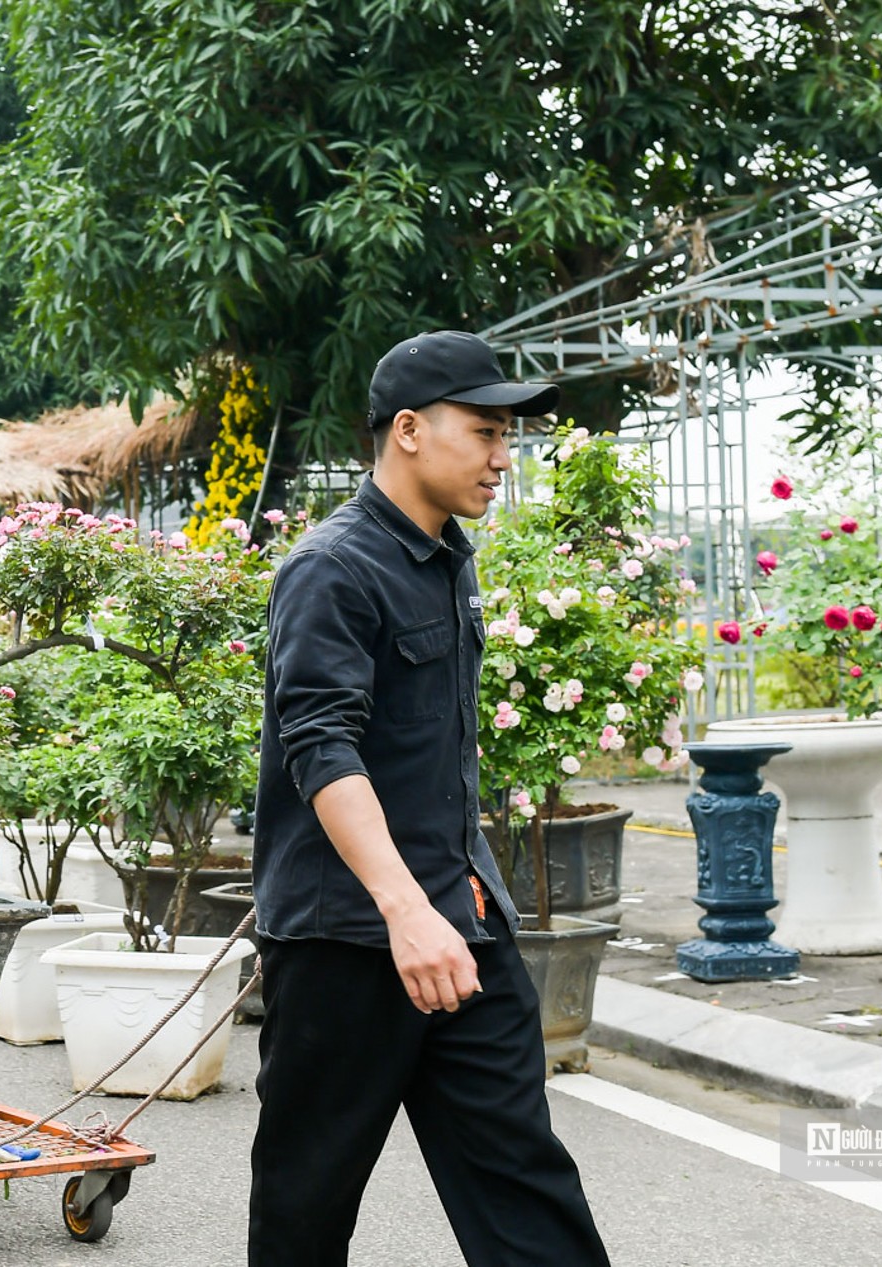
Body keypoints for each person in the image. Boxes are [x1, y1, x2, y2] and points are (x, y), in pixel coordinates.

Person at [248, 331, 610, 1266]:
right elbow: (320, 746)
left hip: (462, 925)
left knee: (525, 1184)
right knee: (307, 1204)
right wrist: (405, 912)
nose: (502, 456)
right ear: (407, 430)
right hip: (347, 941)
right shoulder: (332, 565)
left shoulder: (451, 557)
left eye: (508, 436)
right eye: (486, 431)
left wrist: (452, 908)